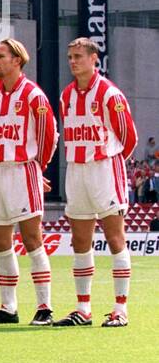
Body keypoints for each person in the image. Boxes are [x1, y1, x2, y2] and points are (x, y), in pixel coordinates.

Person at [53, 38, 137, 328]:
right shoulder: (66, 95)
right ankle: (83, 308)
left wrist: (110, 160)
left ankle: (120, 308)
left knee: (115, 238)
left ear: (94, 60)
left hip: (104, 167)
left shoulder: (109, 94)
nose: (73, 62)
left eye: (78, 56)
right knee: (80, 240)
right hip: (76, 170)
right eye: (69, 57)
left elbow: (129, 137)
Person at [0, 38, 58, 326]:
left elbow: (48, 135)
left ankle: (44, 307)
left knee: (31, 239)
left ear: (17, 60)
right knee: (0, 241)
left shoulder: (33, 95)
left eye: (0, 56)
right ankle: (8, 307)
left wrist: (40, 169)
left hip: (23, 170)